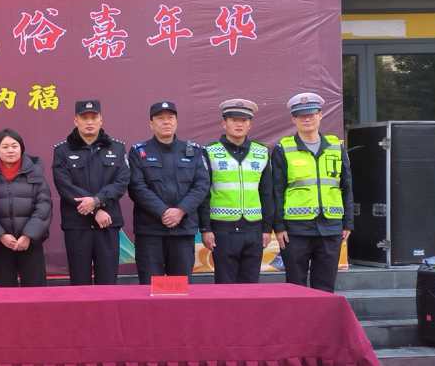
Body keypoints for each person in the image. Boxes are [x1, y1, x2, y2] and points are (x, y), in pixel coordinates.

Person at [272, 92, 354, 292]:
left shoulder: (336, 147)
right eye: (301, 115)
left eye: (311, 114)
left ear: (320, 115)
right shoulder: (284, 148)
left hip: (331, 228)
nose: (306, 119)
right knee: (295, 286)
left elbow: (346, 186)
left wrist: (348, 223)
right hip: (295, 230)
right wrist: (279, 226)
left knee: (325, 287)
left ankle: (322, 315)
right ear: (293, 119)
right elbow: (276, 191)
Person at [127, 101, 211, 284]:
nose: (166, 122)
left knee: (180, 288)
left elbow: (202, 185)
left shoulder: (194, 151)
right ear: (151, 124)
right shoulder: (138, 152)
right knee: (150, 287)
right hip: (150, 232)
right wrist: (163, 212)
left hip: (183, 231)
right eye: (160, 118)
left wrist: (180, 211)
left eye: (170, 118)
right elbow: (136, 187)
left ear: (176, 122)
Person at [52, 100, 130, 285]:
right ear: (75, 120)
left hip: (107, 224)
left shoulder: (117, 148)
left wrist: (97, 201)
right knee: (80, 284)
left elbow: (121, 182)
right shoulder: (62, 150)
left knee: (108, 283)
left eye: (93, 117)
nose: (89, 122)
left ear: (101, 120)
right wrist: (95, 210)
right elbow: (64, 186)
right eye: (84, 117)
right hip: (77, 226)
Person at [198, 99, 275, 284]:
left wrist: (267, 229)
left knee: (250, 285)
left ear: (250, 124)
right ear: (224, 123)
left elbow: (267, 193)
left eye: (244, 120)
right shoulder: (210, 152)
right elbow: (203, 193)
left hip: (254, 229)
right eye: (234, 120)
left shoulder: (261, 152)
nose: (239, 124)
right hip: (222, 229)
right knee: (225, 286)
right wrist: (206, 229)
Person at [0, 128, 52, 287]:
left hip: (30, 243)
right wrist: (0, 235)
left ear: (21, 148)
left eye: (14, 146)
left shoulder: (35, 172)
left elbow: (44, 206)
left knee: (35, 292)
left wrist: (28, 235)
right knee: (4, 292)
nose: (10, 150)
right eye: (5, 147)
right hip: (1, 245)